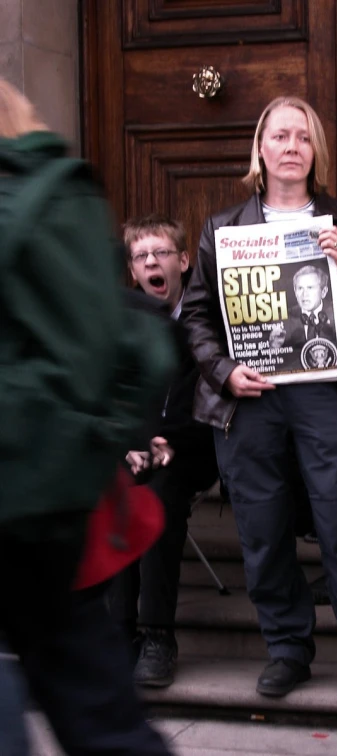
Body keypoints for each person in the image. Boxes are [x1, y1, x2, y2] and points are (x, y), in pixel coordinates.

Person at [182, 96, 337, 709]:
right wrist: (223, 370)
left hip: (322, 394)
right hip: (250, 400)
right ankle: (288, 649)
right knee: (263, 531)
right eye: (281, 136)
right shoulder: (222, 229)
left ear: (315, 152)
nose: (292, 146)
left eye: (304, 137)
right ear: (260, 150)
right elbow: (197, 319)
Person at [0, 79, 173, 755]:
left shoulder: (26, 202)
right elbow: (142, 344)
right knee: (95, 699)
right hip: (54, 500)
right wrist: (99, 437)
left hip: (26, 482)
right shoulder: (66, 194)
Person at [109, 214, 218, 688]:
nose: (152, 262)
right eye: (141, 256)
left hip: (197, 444)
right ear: (132, 271)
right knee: (115, 487)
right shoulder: (120, 327)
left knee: (158, 491)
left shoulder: (209, 319)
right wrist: (131, 443)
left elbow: (215, 397)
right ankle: (118, 634)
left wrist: (167, 442)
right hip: (137, 446)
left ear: (184, 261)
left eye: (162, 253)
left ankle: (158, 635)